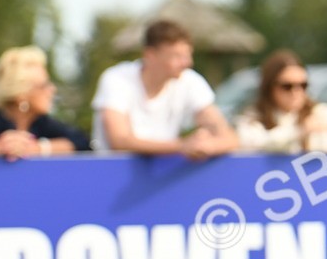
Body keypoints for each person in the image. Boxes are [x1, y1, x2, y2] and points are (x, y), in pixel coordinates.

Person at [91, 20, 237, 158]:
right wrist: (182, 146)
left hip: (161, 176)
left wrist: (207, 146)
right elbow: (119, 141)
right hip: (111, 177)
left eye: (187, 55)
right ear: (150, 55)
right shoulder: (117, 78)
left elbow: (229, 137)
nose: (187, 63)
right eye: (177, 56)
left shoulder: (190, 80)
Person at [0, 46, 91, 159]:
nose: (52, 89)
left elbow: (82, 142)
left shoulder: (43, 123)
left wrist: (38, 148)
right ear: (22, 95)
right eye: (44, 85)